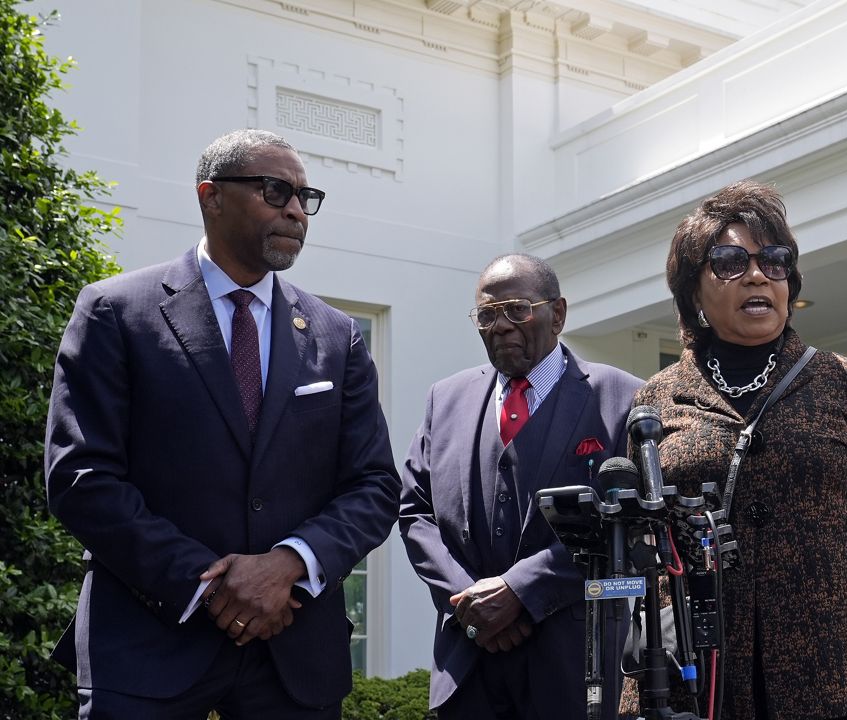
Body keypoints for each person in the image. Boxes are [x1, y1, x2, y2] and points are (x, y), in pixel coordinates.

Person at [44, 129, 401, 718]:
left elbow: (374, 485)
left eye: (304, 197)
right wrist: (210, 587)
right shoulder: (115, 311)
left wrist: (289, 565)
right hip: (148, 645)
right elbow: (82, 477)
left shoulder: (337, 337)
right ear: (210, 196)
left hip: (294, 651)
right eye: (274, 189)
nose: (294, 208)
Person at [622, 180, 847, 720]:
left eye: (774, 261)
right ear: (693, 292)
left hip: (835, 659)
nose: (757, 274)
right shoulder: (658, 396)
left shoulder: (846, 383)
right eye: (729, 262)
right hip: (704, 660)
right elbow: (652, 533)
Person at [400, 253, 643, 720]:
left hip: (575, 669)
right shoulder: (445, 399)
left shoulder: (622, 398)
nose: (501, 325)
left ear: (559, 313)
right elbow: (415, 512)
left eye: (517, 309)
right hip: (467, 670)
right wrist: (469, 605)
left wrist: (520, 592)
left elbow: (629, 527)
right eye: (487, 315)